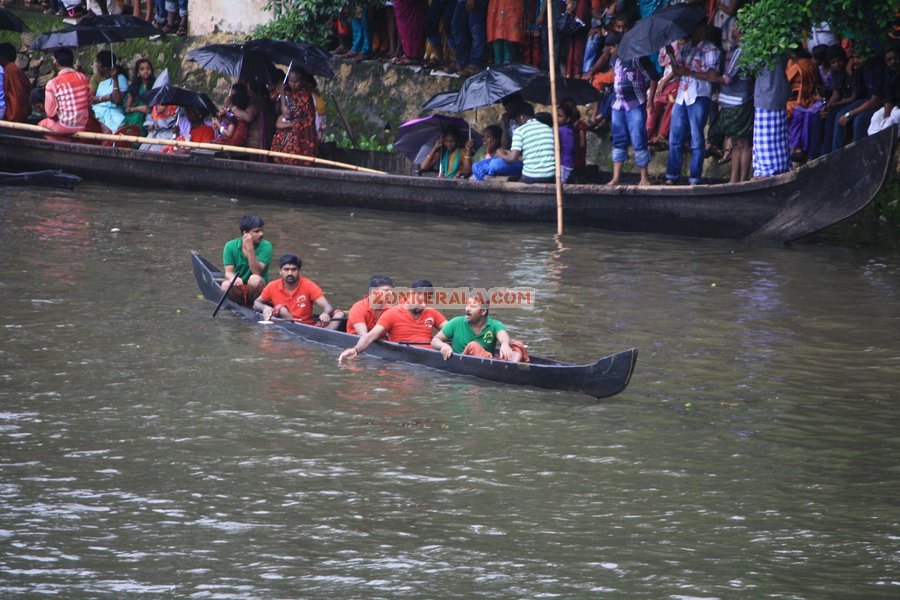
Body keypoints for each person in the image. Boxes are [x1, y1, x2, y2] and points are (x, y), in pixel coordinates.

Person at [665, 20, 721, 185]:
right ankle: (672, 175)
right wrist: (671, 55)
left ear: (702, 30)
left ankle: (695, 177)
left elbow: (712, 76)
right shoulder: (686, 48)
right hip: (682, 96)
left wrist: (690, 73)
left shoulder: (711, 49)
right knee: (675, 136)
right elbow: (677, 71)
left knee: (697, 137)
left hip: (699, 96)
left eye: (696, 28)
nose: (692, 31)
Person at [338, 279, 448, 362]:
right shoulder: (391, 314)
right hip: (403, 362)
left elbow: (452, 329)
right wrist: (356, 350)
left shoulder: (432, 312)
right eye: (420, 300)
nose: (423, 305)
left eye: (427, 301)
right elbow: (369, 336)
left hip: (430, 356)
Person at [605, 30, 659, 187]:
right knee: (618, 138)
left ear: (618, 46)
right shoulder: (615, 61)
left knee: (638, 138)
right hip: (618, 104)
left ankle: (644, 177)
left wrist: (650, 99)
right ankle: (616, 177)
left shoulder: (638, 59)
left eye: (612, 47)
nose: (610, 51)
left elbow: (654, 77)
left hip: (635, 103)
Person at [708, 29, 754, 183]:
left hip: (739, 101)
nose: (732, 31)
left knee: (742, 143)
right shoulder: (734, 50)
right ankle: (734, 180)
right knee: (735, 143)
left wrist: (699, 75)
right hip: (730, 101)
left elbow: (727, 78)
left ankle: (742, 179)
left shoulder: (742, 51)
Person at [254, 254, 345, 329]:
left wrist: (325, 314)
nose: (290, 273)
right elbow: (256, 303)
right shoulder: (272, 286)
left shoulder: (308, 285)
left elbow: (328, 307)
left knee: (339, 314)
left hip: (308, 326)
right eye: (286, 269)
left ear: (298, 271)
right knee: (281, 309)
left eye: (293, 269)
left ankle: (325, 336)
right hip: (285, 323)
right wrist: (265, 308)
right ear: (280, 271)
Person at [431, 294, 527, 362]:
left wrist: (505, 344)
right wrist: (444, 346)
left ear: (483, 311)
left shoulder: (494, 325)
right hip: (462, 361)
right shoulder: (456, 322)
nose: (467, 309)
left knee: (517, 345)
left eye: (472, 306)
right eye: (467, 305)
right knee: (473, 345)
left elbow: (503, 335)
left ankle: (509, 365)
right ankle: (503, 362)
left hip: (488, 363)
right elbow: (435, 340)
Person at [495, 102, 556, 184]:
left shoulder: (520, 131)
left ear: (521, 117)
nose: (518, 123)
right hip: (550, 176)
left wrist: (500, 154)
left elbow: (512, 158)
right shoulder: (548, 128)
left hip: (531, 177)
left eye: (517, 120)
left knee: (515, 179)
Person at [752, 56, 791, 178]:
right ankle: (780, 167)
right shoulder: (781, 50)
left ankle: (766, 171)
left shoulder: (760, 53)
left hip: (767, 99)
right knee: (779, 137)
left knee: (765, 139)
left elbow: (749, 67)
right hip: (777, 98)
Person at [39, 48, 92, 140]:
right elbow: (89, 101)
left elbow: (50, 113)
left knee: (42, 124)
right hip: (83, 125)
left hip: (64, 126)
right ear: (72, 61)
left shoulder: (53, 83)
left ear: (57, 63)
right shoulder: (83, 78)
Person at [221, 214, 273, 307]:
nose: (261, 234)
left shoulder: (266, 246)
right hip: (240, 285)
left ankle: (254, 305)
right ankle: (240, 305)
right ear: (245, 233)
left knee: (254, 280)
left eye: (261, 230)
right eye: (256, 231)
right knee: (225, 285)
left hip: (257, 288)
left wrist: (250, 248)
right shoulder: (230, 246)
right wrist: (234, 278)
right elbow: (228, 272)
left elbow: (256, 272)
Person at [271, 68, 317, 166]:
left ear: (302, 81)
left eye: (296, 82)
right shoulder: (291, 93)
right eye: (290, 81)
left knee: (295, 158)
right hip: (288, 131)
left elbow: (288, 114)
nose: (292, 84)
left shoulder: (303, 95)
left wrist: (283, 95)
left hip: (300, 133)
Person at [91, 51, 128, 134]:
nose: (96, 64)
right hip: (98, 113)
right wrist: (106, 98)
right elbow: (91, 99)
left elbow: (116, 100)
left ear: (105, 67)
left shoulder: (120, 78)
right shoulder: (101, 82)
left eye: (98, 62)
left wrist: (115, 79)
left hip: (114, 114)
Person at [868, 45, 900, 136]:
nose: (893, 62)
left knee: (890, 122)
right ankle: (874, 146)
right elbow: (888, 97)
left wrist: (887, 118)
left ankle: (887, 146)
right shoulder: (888, 73)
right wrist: (885, 115)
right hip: (895, 106)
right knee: (876, 118)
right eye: (889, 60)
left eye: (896, 58)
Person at [0, 43, 31, 123]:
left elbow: (4, 94)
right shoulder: (19, 71)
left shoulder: (8, 70)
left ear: (3, 58)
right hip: (22, 115)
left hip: (11, 115)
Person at [123, 58, 155, 136]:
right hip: (135, 117)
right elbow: (127, 109)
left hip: (151, 116)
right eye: (142, 69)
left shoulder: (155, 86)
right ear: (138, 72)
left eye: (148, 68)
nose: (145, 71)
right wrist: (139, 108)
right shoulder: (134, 87)